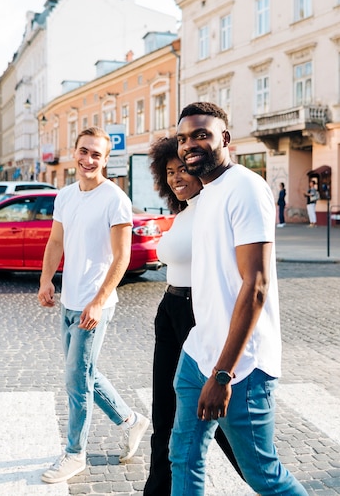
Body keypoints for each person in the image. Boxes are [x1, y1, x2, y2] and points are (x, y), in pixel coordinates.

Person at [170, 102, 307, 496]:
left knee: (264, 476)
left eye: (201, 134)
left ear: (225, 139)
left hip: (241, 366)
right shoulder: (208, 191)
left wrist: (223, 373)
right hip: (199, 352)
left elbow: (256, 284)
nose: (189, 144)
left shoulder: (245, 187)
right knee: (183, 455)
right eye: (183, 138)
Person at [38, 126, 150, 484]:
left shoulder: (114, 199)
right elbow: (56, 242)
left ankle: (75, 454)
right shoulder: (65, 196)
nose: (88, 160)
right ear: (75, 152)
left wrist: (99, 302)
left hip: (95, 305)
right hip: (69, 300)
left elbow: (121, 257)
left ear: (104, 159)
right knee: (85, 373)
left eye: (96, 155)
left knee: (75, 380)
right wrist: (45, 280)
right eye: (84, 152)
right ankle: (133, 422)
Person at [143, 137, 243, 496]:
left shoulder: (212, 207)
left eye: (182, 169)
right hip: (169, 312)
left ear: (200, 167)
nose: (175, 178)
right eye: (169, 172)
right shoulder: (184, 212)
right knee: (164, 416)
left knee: (226, 427)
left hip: (197, 314)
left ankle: (265, 480)